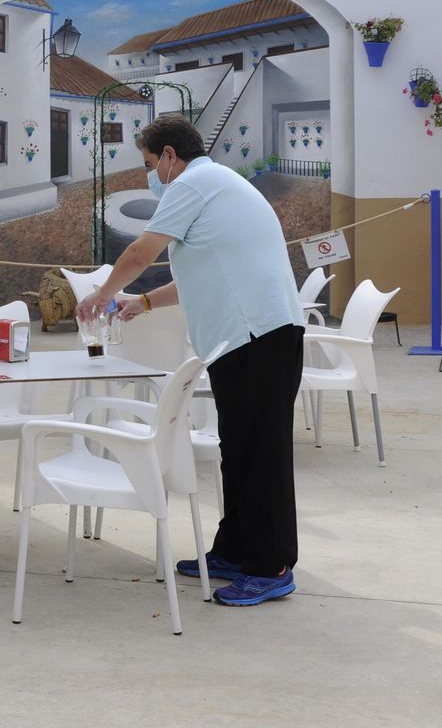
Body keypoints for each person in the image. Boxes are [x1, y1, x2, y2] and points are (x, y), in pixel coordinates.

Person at [76, 115, 305, 606]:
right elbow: (199, 273)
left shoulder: (194, 182)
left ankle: (273, 566)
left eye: (147, 164)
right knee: (238, 448)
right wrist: (142, 303)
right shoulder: (214, 187)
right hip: (244, 338)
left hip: (261, 334)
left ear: (168, 157)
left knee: (262, 453)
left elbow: (140, 252)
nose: (149, 176)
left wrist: (102, 294)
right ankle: (235, 550)